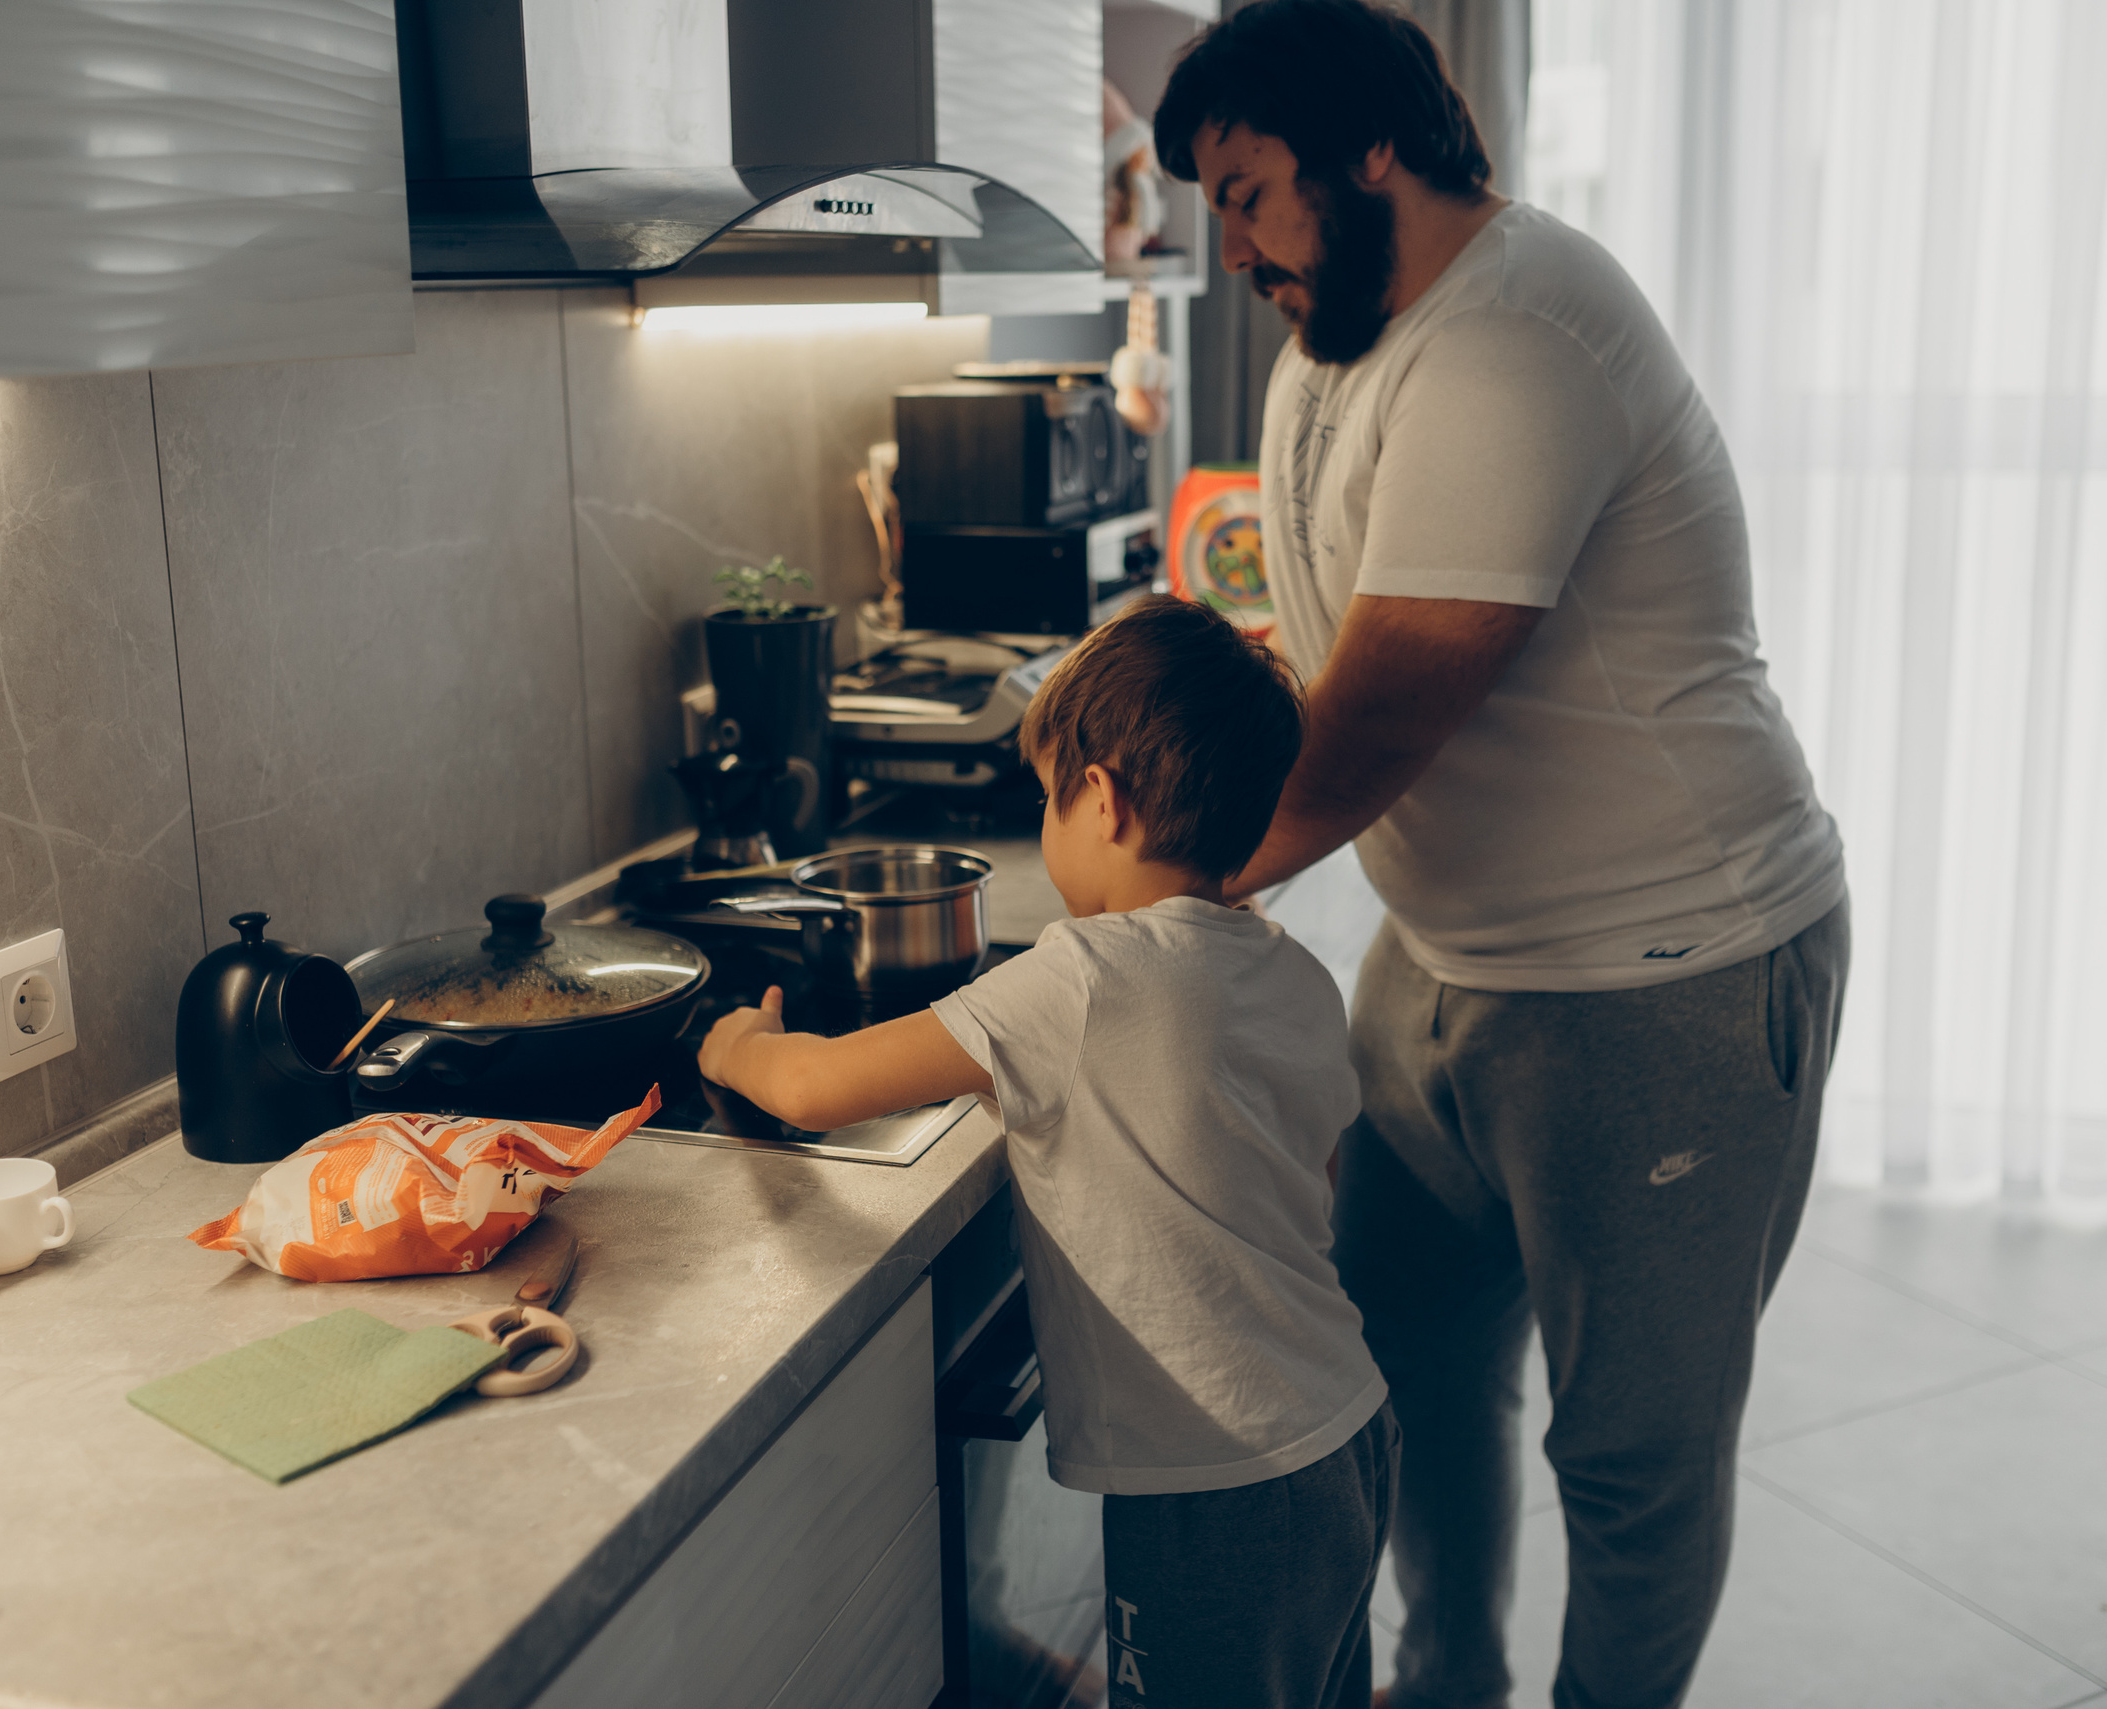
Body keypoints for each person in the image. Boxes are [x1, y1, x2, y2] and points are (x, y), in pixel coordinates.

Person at [1152, 6, 1852, 1708]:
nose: (1230, 248)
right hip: (1443, 954)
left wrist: (1167, 887)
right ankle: (1443, 1681)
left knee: (1630, 1450)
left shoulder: (1520, 331)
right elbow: (1321, 630)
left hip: (1661, 973)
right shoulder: (1347, 332)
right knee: (1410, 1361)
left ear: (1366, 152)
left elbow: (1389, 706)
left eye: (1248, 196)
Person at [697, 595, 1400, 1709]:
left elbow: (813, 1086)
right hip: (1346, 1433)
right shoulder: (1290, 969)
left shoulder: (1077, 980)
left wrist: (737, 1040)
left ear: (1099, 798)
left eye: (1042, 800)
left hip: (1211, 1485)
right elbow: (1299, 1174)